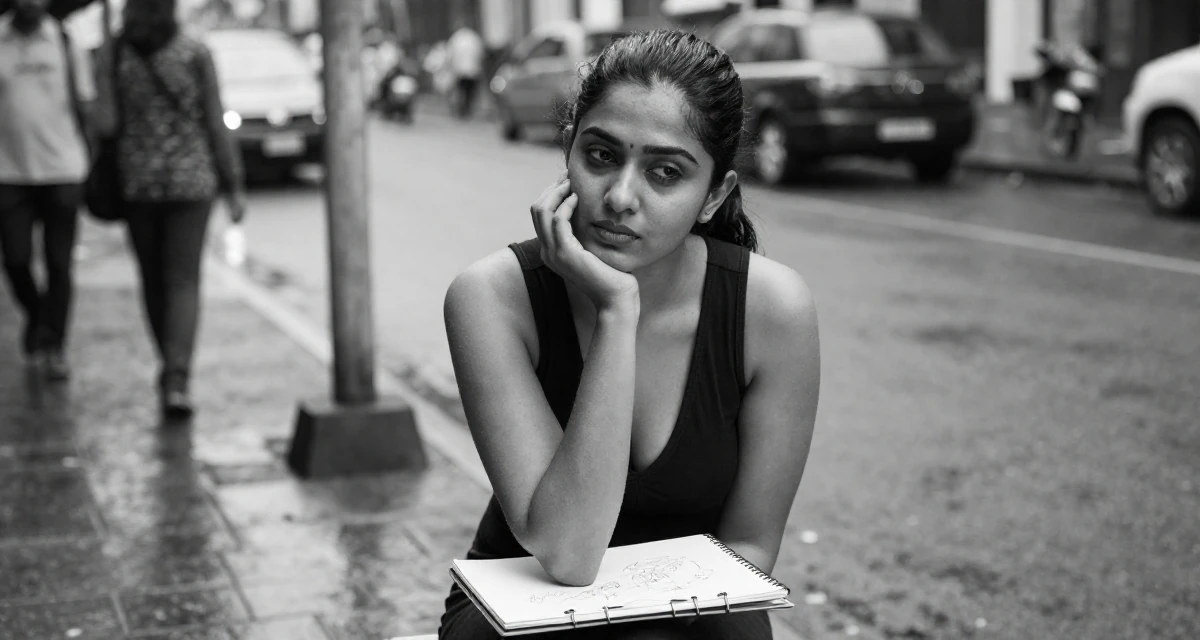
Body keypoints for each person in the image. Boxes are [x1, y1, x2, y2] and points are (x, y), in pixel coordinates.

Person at [438, 30, 820, 639]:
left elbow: (750, 544)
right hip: (521, 610)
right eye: (600, 156)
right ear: (567, 154)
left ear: (713, 195)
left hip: (693, 614)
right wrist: (618, 311)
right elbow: (567, 551)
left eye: (665, 173)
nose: (619, 197)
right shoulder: (491, 297)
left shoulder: (772, 309)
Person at [93, 0, 245, 418]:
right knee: (183, 282)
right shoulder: (194, 52)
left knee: (153, 281)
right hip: (191, 183)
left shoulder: (114, 53)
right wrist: (233, 185)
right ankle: (177, 378)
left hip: (138, 184)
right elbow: (216, 123)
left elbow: (104, 124)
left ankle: (169, 367)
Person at [0, 0, 94, 379]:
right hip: (9, 172)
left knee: (59, 263)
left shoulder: (67, 41)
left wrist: (91, 164)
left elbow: (84, 105)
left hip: (62, 169)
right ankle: (39, 318)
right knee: (16, 260)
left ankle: (54, 344)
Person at [445, 21, 485, 118]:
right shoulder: (474, 38)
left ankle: (462, 110)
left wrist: (450, 67)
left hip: (460, 70)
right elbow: (481, 54)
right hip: (473, 71)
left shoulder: (456, 38)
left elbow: (450, 55)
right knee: (469, 92)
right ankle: (467, 109)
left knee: (461, 91)